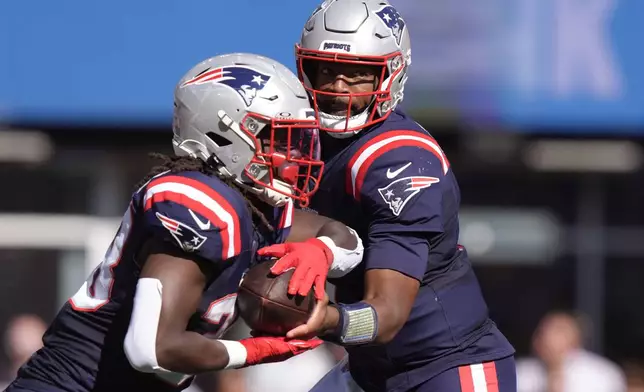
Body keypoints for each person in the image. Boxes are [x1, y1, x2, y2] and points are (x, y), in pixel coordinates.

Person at [4, 53, 364, 392]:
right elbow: (151, 349)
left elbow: (344, 236)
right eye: (280, 140)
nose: (295, 156)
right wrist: (252, 352)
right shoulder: (203, 204)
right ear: (226, 136)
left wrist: (321, 252)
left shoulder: (255, 210)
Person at [277, 1, 517, 391]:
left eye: (357, 75)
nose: (338, 88)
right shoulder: (304, 139)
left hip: (446, 367)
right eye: (327, 69)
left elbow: (385, 316)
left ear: (391, 75)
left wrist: (329, 320)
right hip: (369, 371)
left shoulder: (401, 159)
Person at [516, 311, 626, 392]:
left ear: (575, 339)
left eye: (558, 331)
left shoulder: (602, 374)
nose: (546, 337)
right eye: (542, 331)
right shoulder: (520, 373)